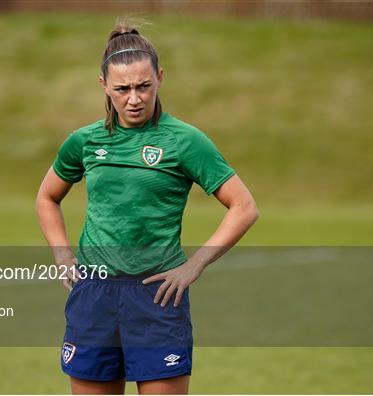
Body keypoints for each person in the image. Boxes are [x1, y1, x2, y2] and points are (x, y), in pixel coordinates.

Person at [36, 20, 258, 395]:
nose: (133, 99)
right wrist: (62, 254)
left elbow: (244, 206)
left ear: (160, 76)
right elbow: (47, 197)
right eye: (122, 89)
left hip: (157, 296)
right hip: (95, 294)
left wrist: (194, 264)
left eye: (143, 86)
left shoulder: (185, 141)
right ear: (103, 85)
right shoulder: (85, 141)